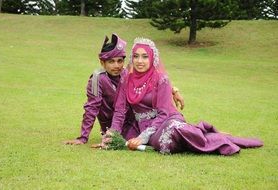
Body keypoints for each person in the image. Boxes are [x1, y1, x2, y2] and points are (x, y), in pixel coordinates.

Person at [107, 37, 263, 155]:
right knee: (159, 144)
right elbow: (120, 110)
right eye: (136, 56)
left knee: (167, 139)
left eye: (144, 56)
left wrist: (143, 138)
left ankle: (217, 140)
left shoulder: (161, 79)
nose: (139, 61)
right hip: (140, 125)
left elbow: (163, 113)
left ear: (152, 58)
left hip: (165, 121)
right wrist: (112, 135)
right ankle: (199, 133)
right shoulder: (126, 79)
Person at [64, 34, 185, 145]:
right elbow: (92, 108)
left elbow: (153, 80)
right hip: (116, 124)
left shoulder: (126, 74)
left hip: (136, 123)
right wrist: (83, 137)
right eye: (111, 62)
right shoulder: (97, 79)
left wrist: (174, 90)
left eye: (120, 61)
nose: (116, 66)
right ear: (102, 62)